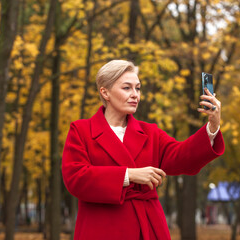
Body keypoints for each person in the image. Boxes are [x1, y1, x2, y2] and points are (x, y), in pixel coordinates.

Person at [62, 60, 225, 240]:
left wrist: (212, 126)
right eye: (127, 88)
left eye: (138, 88)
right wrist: (128, 175)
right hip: (101, 228)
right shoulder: (81, 130)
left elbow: (182, 156)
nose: (135, 95)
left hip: (146, 228)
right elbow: (76, 178)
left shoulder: (150, 132)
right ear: (105, 92)